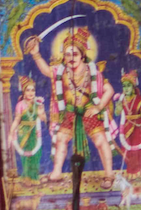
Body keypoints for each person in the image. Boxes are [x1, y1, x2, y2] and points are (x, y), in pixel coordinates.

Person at [23, 23, 115, 176]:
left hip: (89, 113)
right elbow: (46, 70)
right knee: (60, 139)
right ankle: (57, 172)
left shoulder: (93, 73)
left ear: (82, 55)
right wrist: (35, 54)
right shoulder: (61, 72)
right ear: (64, 57)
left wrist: (98, 108)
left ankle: (109, 174)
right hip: (70, 113)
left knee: (100, 140)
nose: (71, 58)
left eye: (75, 54)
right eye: (67, 54)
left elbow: (109, 90)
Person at [6, 74, 45, 180]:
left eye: (33, 90)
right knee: (26, 158)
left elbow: (43, 118)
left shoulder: (38, 103)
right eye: (28, 90)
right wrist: (10, 133)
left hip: (35, 133)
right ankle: (27, 177)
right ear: (24, 91)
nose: (31, 93)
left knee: (36, 156)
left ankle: (34, 177)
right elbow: (17, 120)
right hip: (23, 133)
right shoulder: (20, 105)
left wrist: (41, 110)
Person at [116, 68, 141, 175]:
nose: (126, 89)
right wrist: (118, 107)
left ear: (133, 86)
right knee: (127, 150)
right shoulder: (121, 100)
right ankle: (130, 172)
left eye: (128, 86)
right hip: (126, 127)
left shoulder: (139, 99)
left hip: (138, 127)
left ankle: (138, 171)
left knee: (137, 151)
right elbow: (117, 114)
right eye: (124, 86)